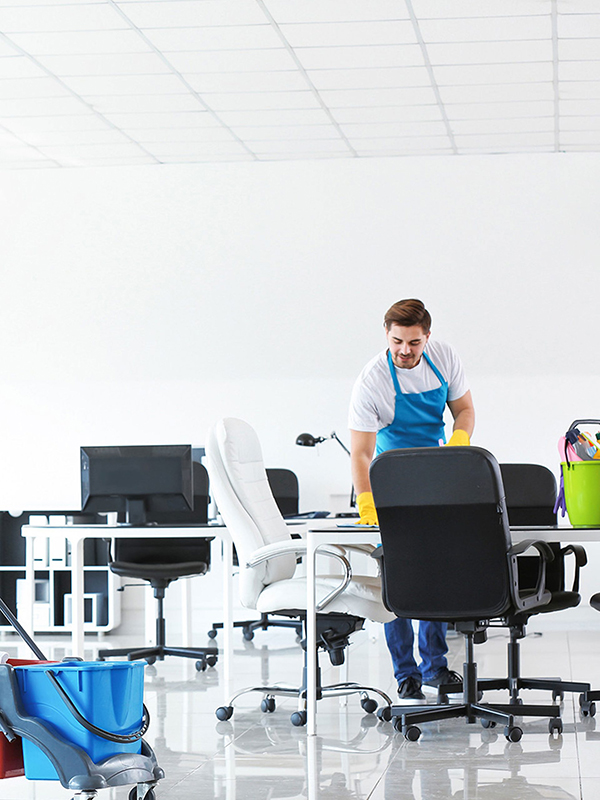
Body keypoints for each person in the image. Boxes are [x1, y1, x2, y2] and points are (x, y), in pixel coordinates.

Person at [348, 298, 475, 702]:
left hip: (437, 472)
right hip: (390, 478)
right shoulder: (372, 381)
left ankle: (435, 666)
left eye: (414, 342)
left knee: (435, 571)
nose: (405, 350)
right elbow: (362, 453)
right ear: (387, 334)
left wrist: (459, 440)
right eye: (398, 341)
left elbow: (466, 409)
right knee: (397, 576)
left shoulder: (444, 358)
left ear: (427, 337)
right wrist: (368, 502)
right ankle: (406, 673)